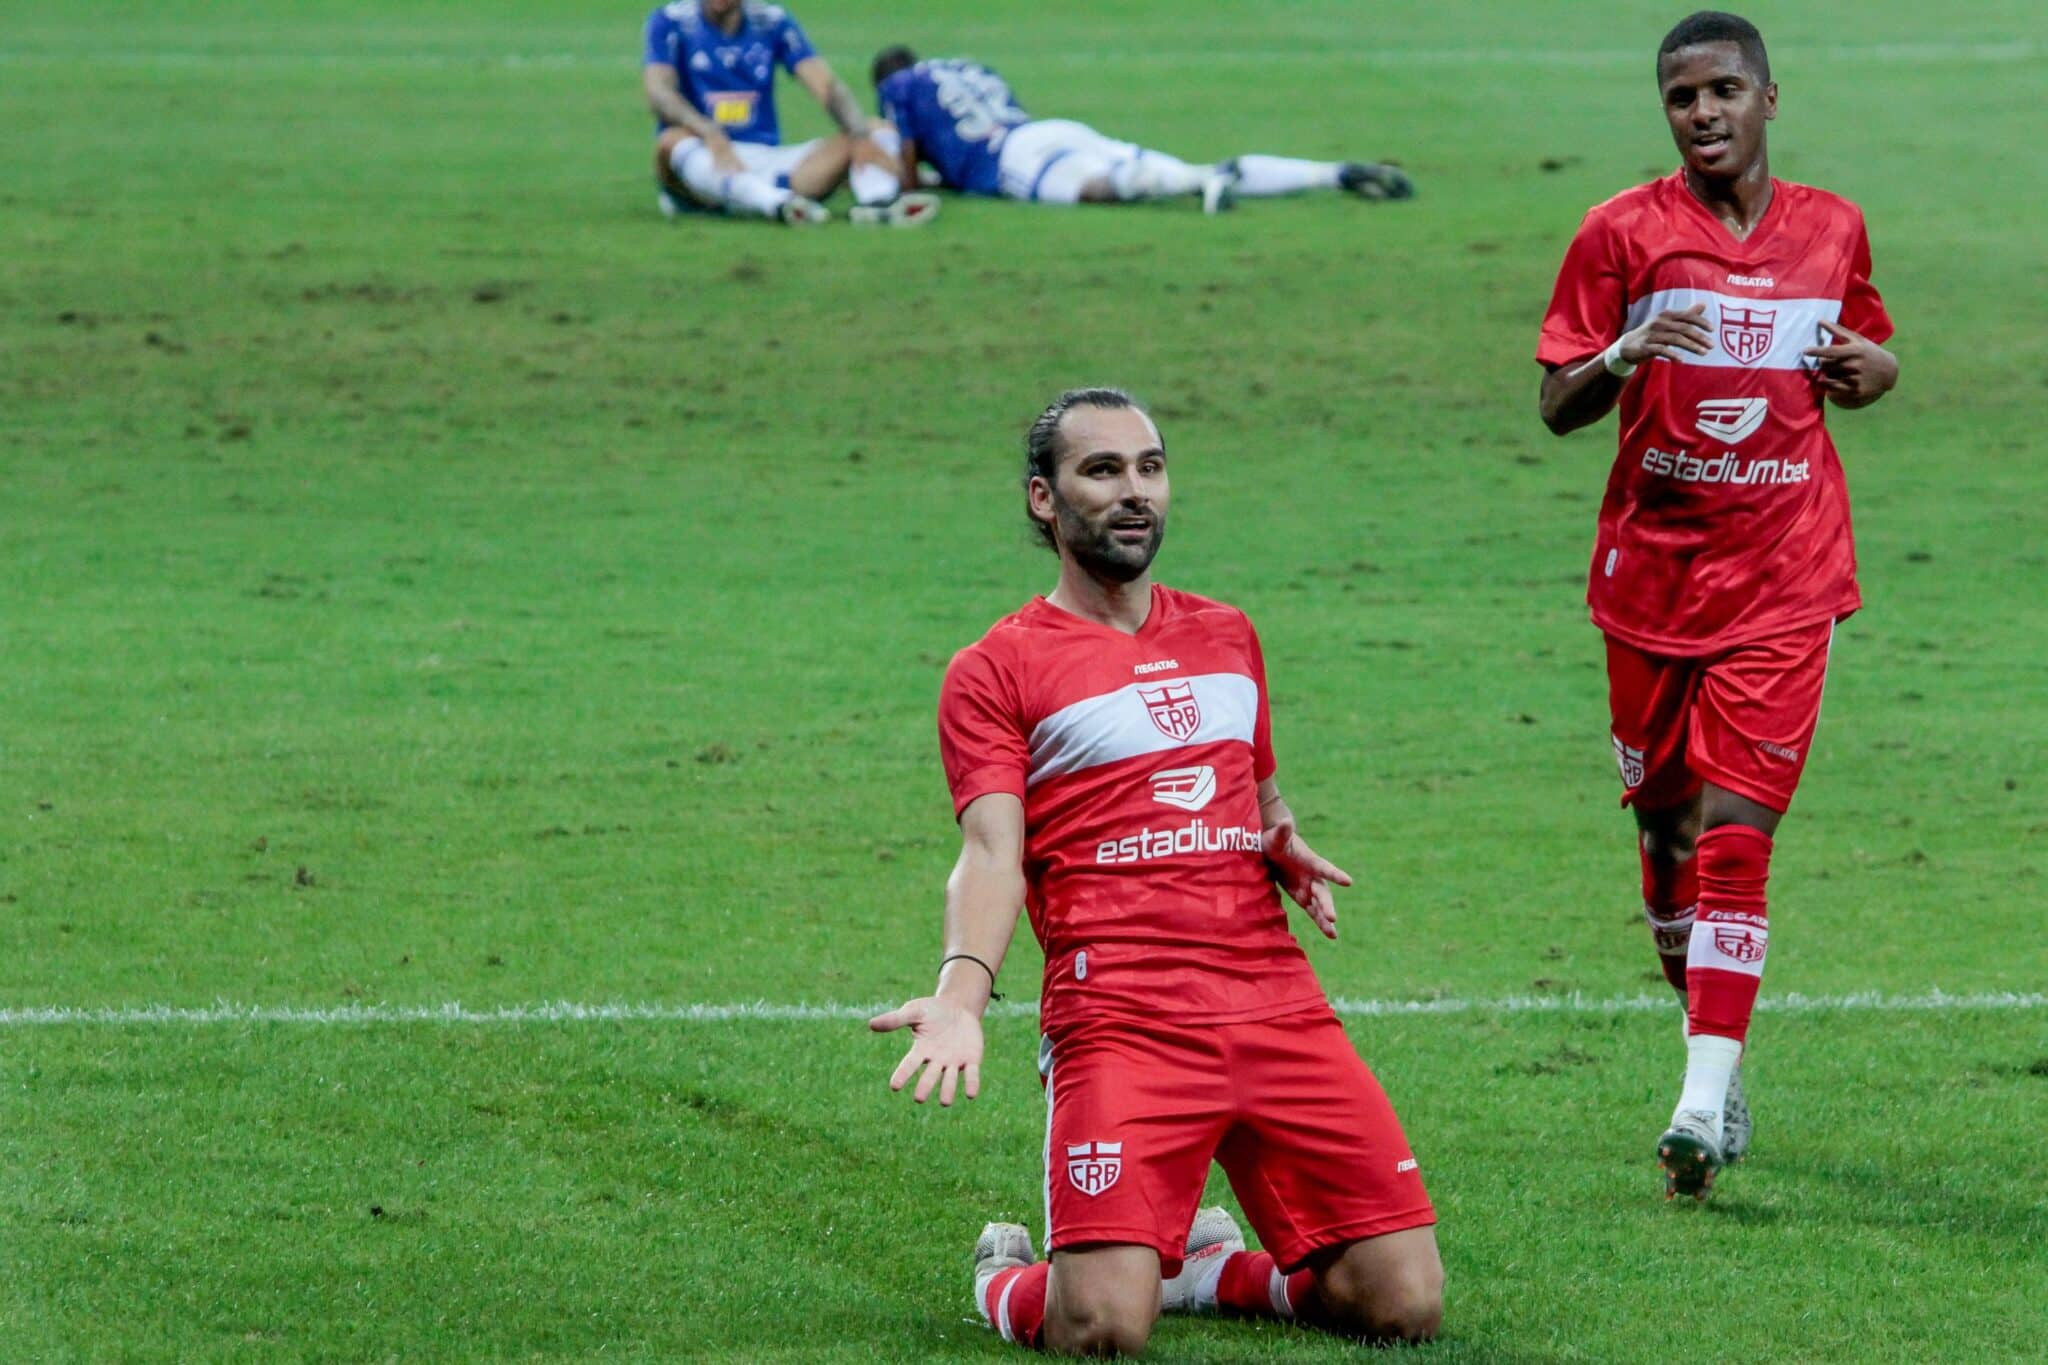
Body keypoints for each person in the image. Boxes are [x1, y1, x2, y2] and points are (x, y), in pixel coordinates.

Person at [869, 388, 1442, 1353]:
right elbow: (991, 852)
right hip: (1123, 1017)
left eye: (1150, 467)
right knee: (1101, 1329)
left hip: (1272, 1002)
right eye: (1102, 471)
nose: (1134, 492)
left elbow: (1254, 788)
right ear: (1043, 501)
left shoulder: (1227, 633)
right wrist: (962, 996)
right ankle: (1007, 1279)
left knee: (1404, 1306)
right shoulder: (996, 668)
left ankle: (1212, 1272)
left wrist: (1279, 835)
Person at [1534, 10, 1897, 1201]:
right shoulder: (1618, 234)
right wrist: (1621, 353)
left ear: (1766, 98)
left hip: (1786, 574)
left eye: (1721, 90)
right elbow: (1553, 404)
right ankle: (1707, 1043)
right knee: (1664, 836)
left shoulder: (1829, 226)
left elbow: (1867, 348)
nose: (1701, 112)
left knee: (1737, 843)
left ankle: (1699, 1093)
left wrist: (1874, 370)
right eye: (1681, 96)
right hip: (1647, 580)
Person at [869, 47, 1414, 214]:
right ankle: (1331, 173)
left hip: (1016, 157)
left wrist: (911, 185)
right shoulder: (966, 66)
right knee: (1181, 167)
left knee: (1093, 191)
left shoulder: (897, 88)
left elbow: (910, 159)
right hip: (1052, 129)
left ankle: (1195, 187)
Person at [641, 0, 936, 226]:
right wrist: (708, 130)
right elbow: (658, 91)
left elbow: (825, 85)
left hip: (770, 162)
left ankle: (878, 204)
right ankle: (777, 205)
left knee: (875, 129)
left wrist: (859, 135)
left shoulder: (770, 21)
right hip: (702, 165)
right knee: (670, 142)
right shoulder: (670, 21)